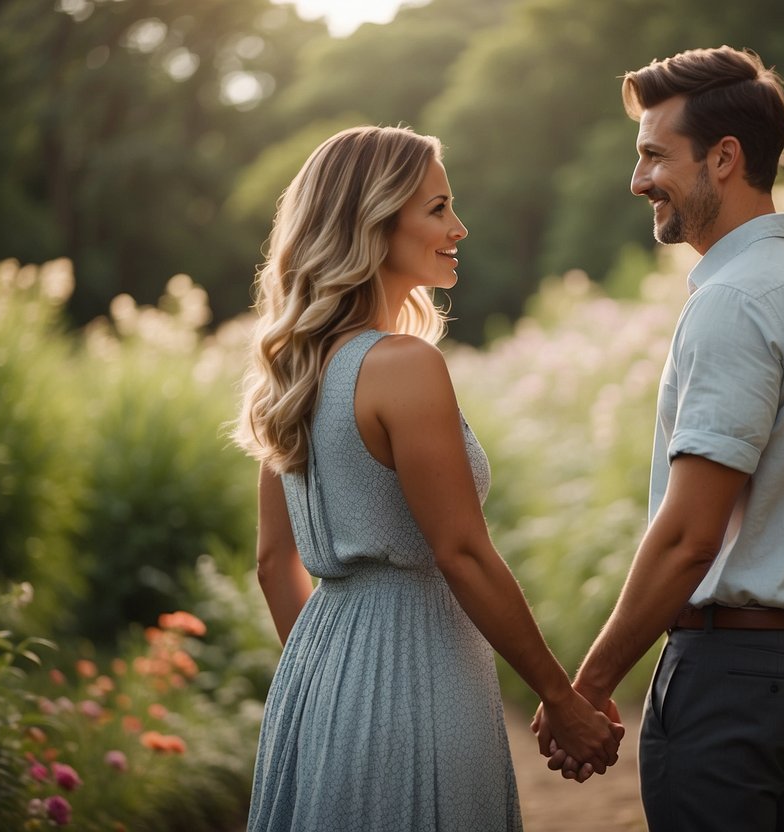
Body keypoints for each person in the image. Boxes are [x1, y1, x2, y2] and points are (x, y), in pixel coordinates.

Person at [533, 46, 784, 831]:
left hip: (736, 675)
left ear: (723, 158)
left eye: (654, 156)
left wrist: (586, 687)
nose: (637, 181)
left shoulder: (735, 302)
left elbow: (691, 538)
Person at [232, 125, 622, 832]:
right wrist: (560, 699)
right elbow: (462, 552)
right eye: (437, 208)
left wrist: (333, 689)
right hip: (419, 677)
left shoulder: (289, 373)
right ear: (373, 223)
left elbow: (270, 564)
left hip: (315, 680)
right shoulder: (402, 365)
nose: (458, 228)